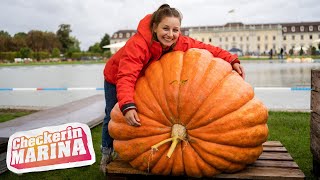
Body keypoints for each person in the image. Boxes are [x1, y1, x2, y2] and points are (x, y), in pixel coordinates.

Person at [100, 4, 245, 173]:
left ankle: (131, 147)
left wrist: (232, 59)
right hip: (116, 78)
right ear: (154, 27)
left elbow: (207, 48)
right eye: (166, 28)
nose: (170, 34)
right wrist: (126, 104)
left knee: (140, 116)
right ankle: (107, 152)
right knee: (112, 115)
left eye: (175, 30)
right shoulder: (138, 44)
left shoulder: (179, 42)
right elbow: (126, 76)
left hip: (142, 79)